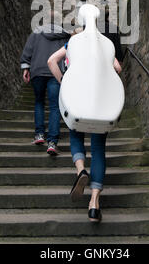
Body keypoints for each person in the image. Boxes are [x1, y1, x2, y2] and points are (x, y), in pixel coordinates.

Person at [47, 32, 122, 222]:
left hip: (78, 98)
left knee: (75, 136)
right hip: (101, 101)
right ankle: (94, 203)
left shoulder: (72, 45)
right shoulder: (103, 47)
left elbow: (51, 61)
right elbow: (118, 68)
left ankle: (81, 170)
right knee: (98, 149)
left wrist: (64, 82)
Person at [20, 14, 70, 156]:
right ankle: (52, 142)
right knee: (55, 106)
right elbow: (68, 54)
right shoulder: (64, 35)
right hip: (56, 72)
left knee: (39, 102)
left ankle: (39, 135)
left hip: (37, 72)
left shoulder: (36, 32)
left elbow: (27, 52)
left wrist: (26, 68)